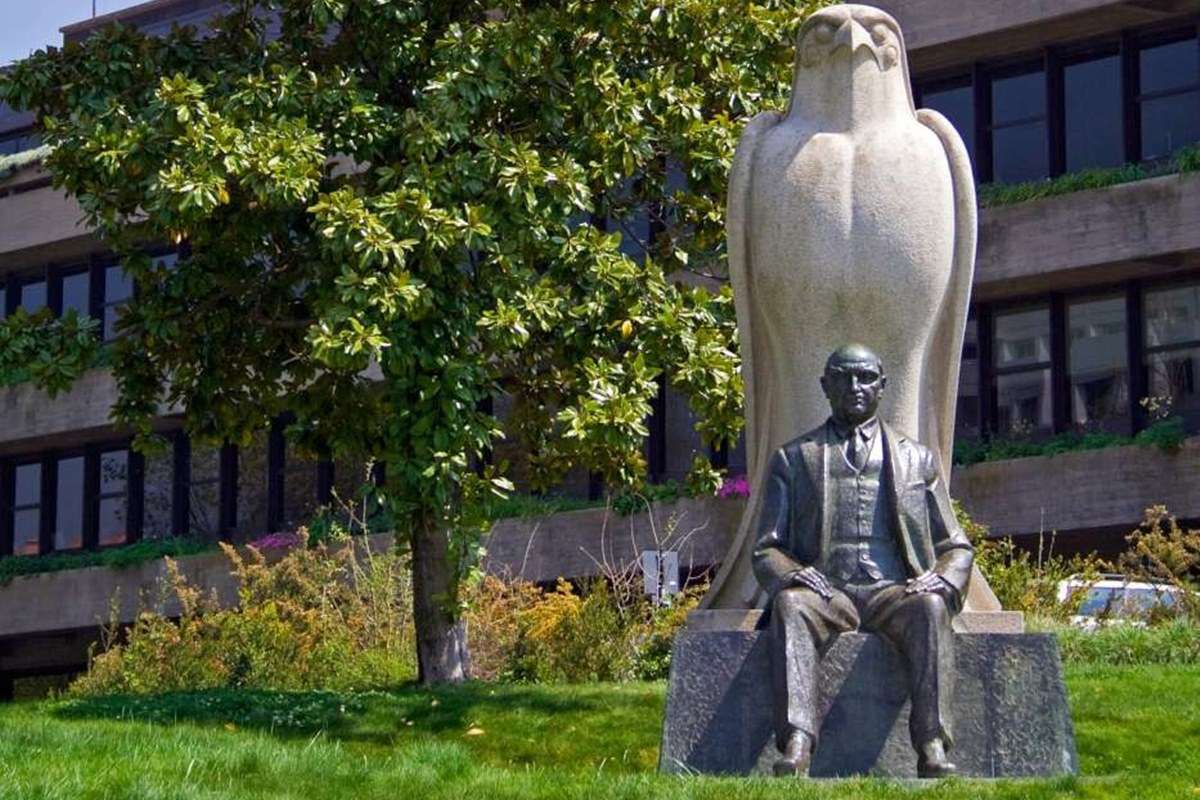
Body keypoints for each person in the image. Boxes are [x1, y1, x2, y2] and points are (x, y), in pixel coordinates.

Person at [754, 343, 973, 778]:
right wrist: (794, 574)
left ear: (883, 386)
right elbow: (766, 548)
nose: (855, 387)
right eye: (843, 377)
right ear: (825, 385)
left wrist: (943, 581)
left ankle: (932, 745)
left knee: (930, 608)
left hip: (894, 590)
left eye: (866, 377)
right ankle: (797, 743)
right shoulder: (794, 459)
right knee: (789, 605)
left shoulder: (917, 459)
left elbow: (956, 545)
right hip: (827, 593)